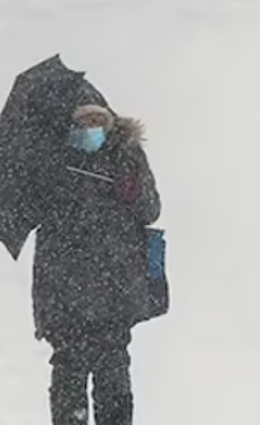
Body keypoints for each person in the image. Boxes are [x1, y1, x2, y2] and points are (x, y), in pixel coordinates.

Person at [34, 102, 161, 425]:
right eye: (82, 121)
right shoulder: (56, 163)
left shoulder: (127, 157)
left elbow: (150, 210)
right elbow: (43, 226)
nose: (88, 126)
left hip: (115, 289)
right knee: (68, 372)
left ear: (108, 124)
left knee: (113, 372)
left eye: (95, 120)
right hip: (65, 293)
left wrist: (130, 186)